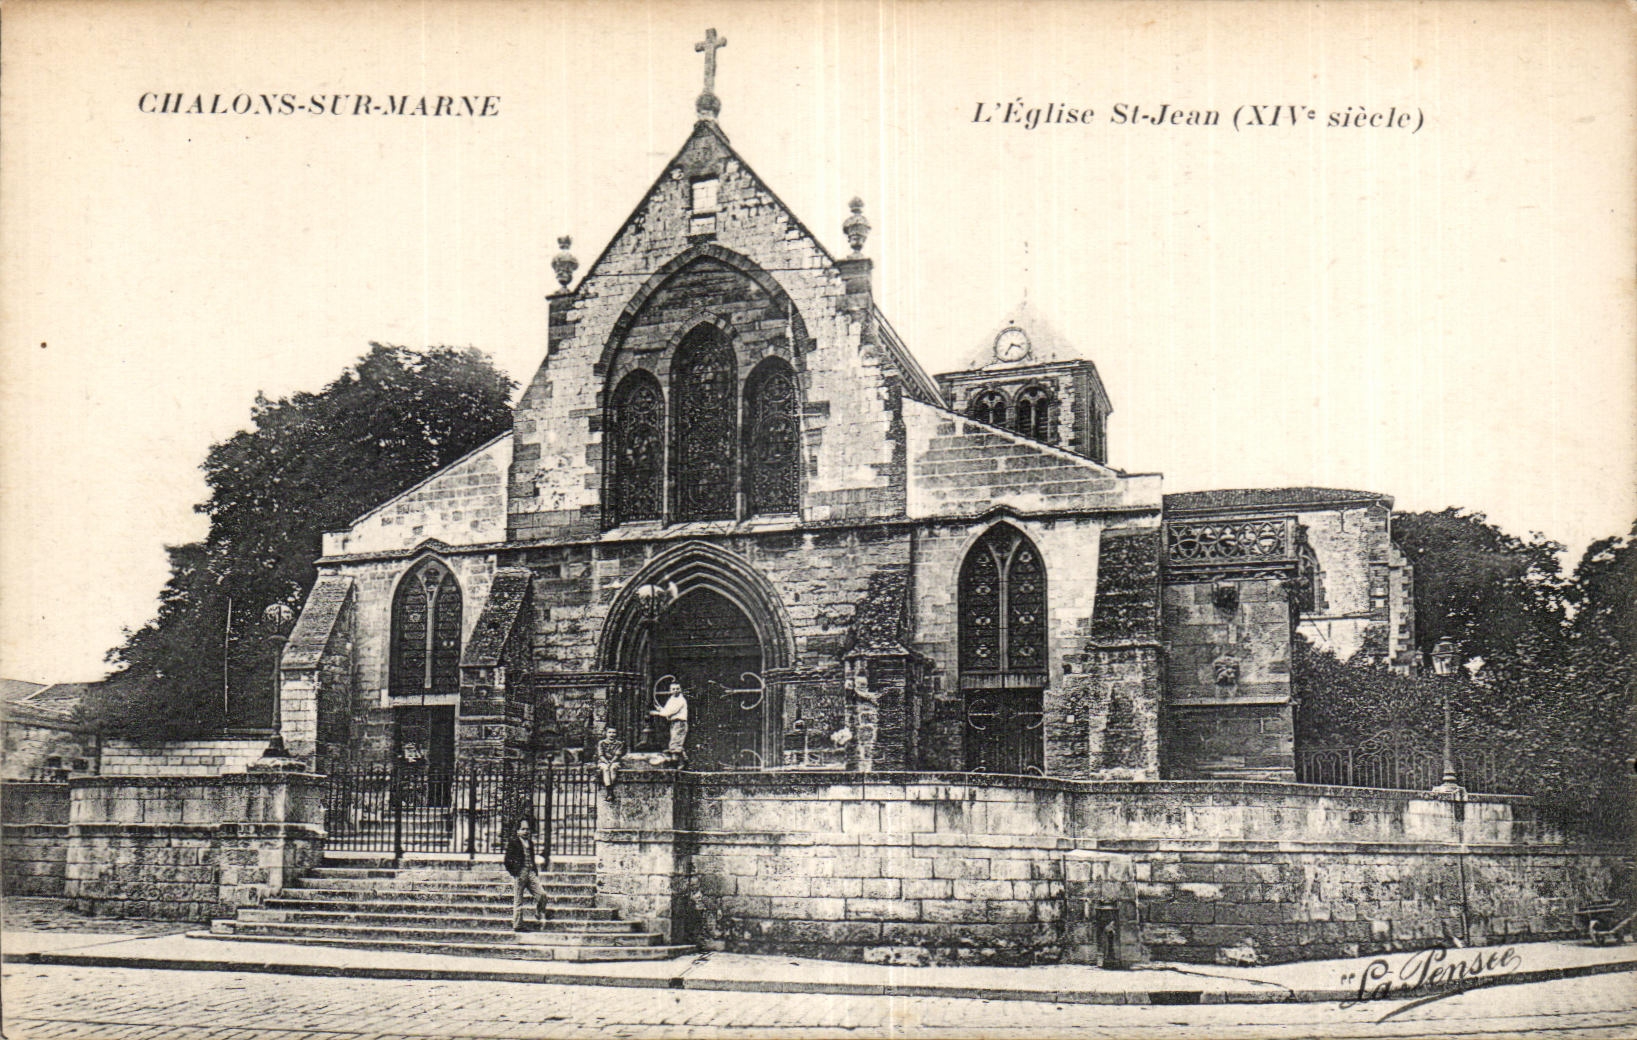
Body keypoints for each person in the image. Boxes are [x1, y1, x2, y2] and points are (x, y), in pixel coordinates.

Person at [503, 817, 548, 931]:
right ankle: (518, 925)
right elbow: (507, 860)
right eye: (523, 829)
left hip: (530, 871)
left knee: (542, 894)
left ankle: (539, 912)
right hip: (520, 872)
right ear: (518, 831)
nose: (525, 831)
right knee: (518, 900)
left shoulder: (530, 843)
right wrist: (514, 872)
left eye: (527, 829)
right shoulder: (514, 843)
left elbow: (532, 858)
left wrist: (534, 871)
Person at [650, 681, 689, 764]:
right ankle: (684, 761)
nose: (675, 690)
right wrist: (661, 709)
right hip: (674, 723)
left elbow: (669, 712)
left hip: (680, 723)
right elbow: (667, 710)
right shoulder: (672, 699)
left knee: (675, 744)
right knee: (675, 743)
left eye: (677, 689)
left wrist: (657, 713)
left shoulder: (680, 700)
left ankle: (679, 764)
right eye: (673, 689)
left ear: (680, 689)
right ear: (670, 690)